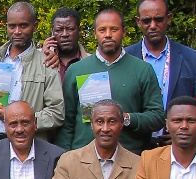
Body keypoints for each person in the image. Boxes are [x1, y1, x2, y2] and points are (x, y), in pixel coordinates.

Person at [57, 8, 164, 155]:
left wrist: (126, 118)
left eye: (114, 29)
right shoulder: (77, 70)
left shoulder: (142, 69)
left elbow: (157, 117)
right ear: (94, 33)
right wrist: (66, 157)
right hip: (83, 159)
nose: (108, 35)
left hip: (127, 159)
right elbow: (66, 122)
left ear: (124, 32)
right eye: (102, 30)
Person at [0, 1, 64, 149]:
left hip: (26, 143)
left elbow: (56, 112)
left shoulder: (46, 64)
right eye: (12, 26)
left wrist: (18, 119)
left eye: (23, 26)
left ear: (35, 26)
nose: (17, 31)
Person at [125, 0, 196, 142]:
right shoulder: (125, 57)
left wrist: (184, 132)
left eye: (159, 19)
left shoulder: (191, 58)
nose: (153, 25)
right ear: (138, 21)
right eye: (146, 20)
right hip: (134, 144)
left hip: (178, 145)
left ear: (168, 18)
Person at [41, 8, 88, 79]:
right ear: (52, 32)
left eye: (70, 29)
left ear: (79, 30)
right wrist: (42, 58)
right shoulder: (38, 57)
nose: (65, 34)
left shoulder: (92, 62)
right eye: (59, 30)